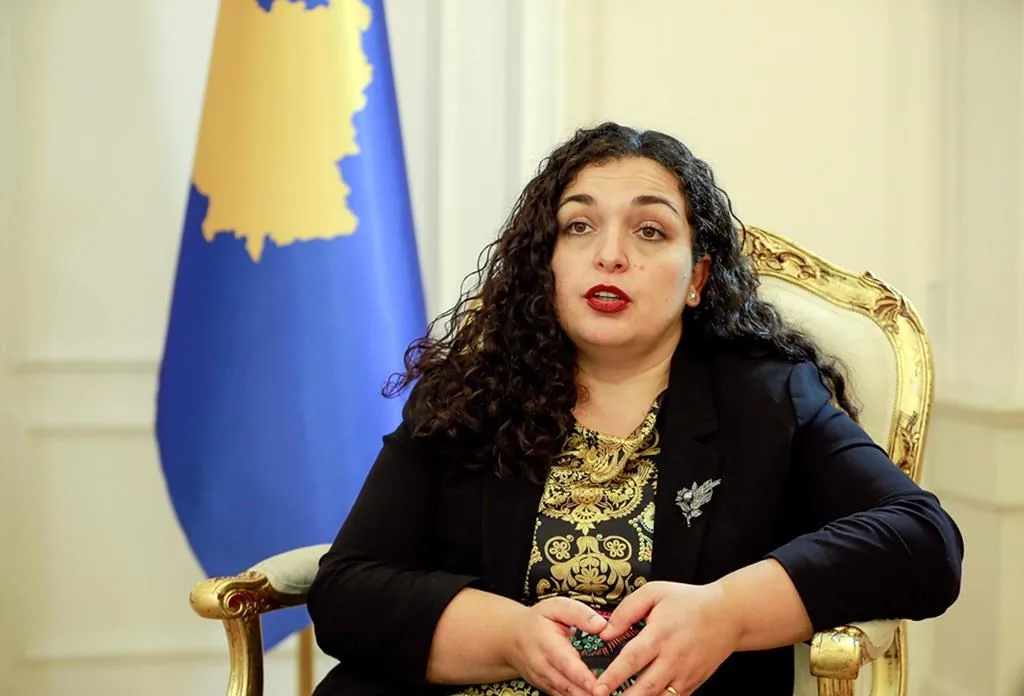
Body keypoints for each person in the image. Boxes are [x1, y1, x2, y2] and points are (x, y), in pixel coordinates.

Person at [306, 122, 964, 696]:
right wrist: (508, 637)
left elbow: (922, 541)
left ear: (697, 279)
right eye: (579, 226)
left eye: (650, 231)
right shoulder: (469, 397)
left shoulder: (767, 400)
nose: (610, 255)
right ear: (547, 263)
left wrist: (726, 612)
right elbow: (348, 589)